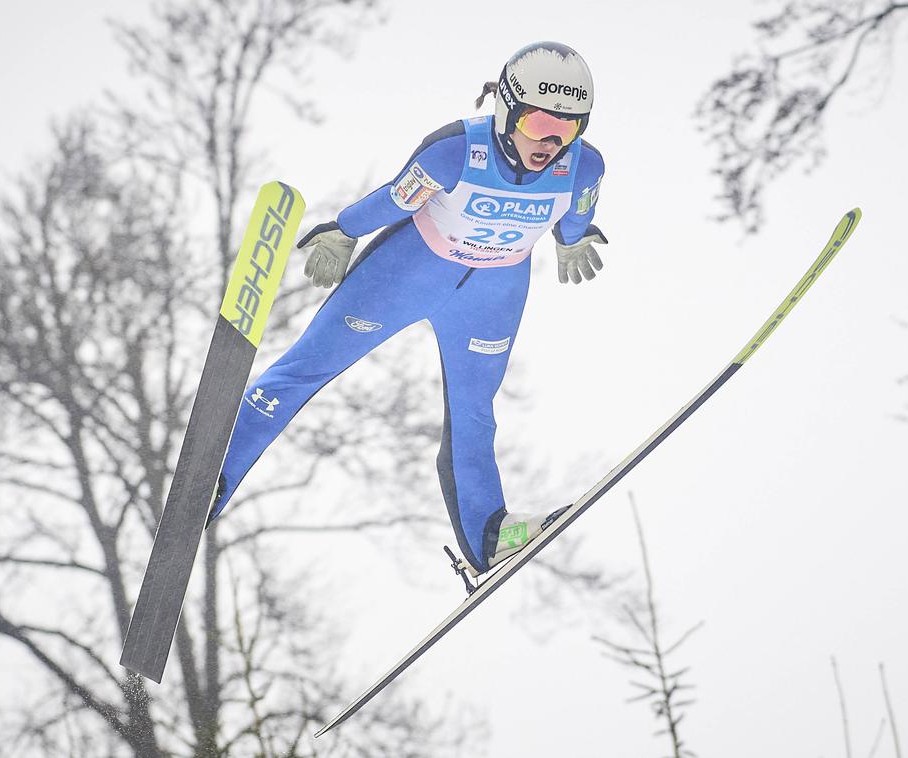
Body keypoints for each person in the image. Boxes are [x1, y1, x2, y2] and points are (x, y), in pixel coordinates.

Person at [208, 41, 608, 578]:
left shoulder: (584, 167)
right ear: (507, 108)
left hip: (493, 295)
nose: (552, 142)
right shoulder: (454, 151)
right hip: (407, 273)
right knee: (305, 368)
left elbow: (579, 210)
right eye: (538, 122)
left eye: (569, 127)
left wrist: (572, 238)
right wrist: (342, 229)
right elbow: (398, 196)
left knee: (475, 414)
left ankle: (491, 534)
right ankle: (213, 474)